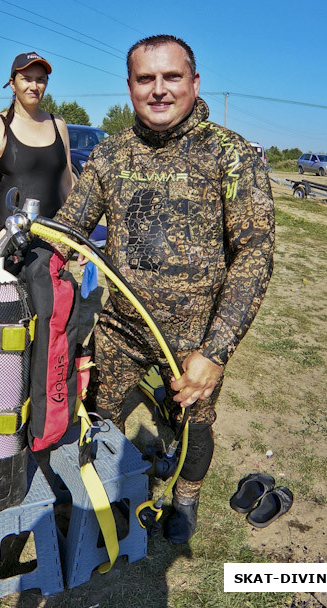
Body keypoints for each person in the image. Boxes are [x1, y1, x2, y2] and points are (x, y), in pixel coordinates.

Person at [53, 34, 275, 544]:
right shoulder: (112, 153)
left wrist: (215, 352)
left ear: (194, 83)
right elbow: (69, 229)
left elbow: (255, 255)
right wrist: (26, 251)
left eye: (171, 77)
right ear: (130, 86)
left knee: (196, 423)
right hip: (122, 328)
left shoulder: (229, 154)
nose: (159, 90)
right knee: (97, 414)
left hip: (196, 339)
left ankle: (186, 498)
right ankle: (102, 491)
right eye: (145, 79)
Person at [0, 52, 74, 244]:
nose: (34, 86)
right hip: (8, 239)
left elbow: (67, 185)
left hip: (53, 240)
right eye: (26, 79)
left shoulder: (59, 124)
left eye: (40, 80)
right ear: (13, 84)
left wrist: (76, 233)